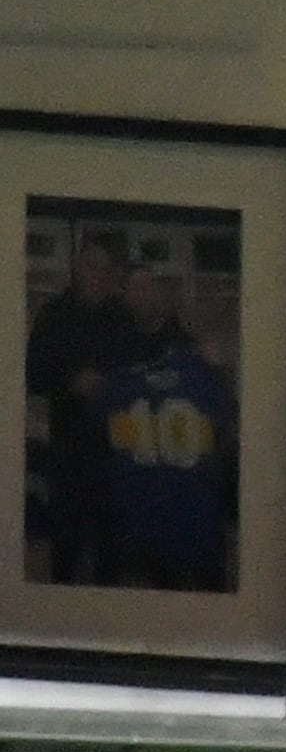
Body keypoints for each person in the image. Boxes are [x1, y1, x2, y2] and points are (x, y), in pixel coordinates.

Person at [91, 267, 236, 592]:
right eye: (135, 287)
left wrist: (217, 370)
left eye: (149, 286)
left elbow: (227, 415)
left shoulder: (191, 350)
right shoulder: (115, 349)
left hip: (191, 501)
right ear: (124, 294)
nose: (143, 294)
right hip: (144, 507)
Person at [24, 233, 131, 584]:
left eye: (103, 268)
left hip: (114, 449)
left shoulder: (121, 318)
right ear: (77, 265)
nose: (95, 274)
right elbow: (32, 372)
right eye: (89, 265)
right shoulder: (53, 315)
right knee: (66, 545)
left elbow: (137, 373)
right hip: (68, 447)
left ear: (111, 273)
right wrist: (70, 381)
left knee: (111, 546)